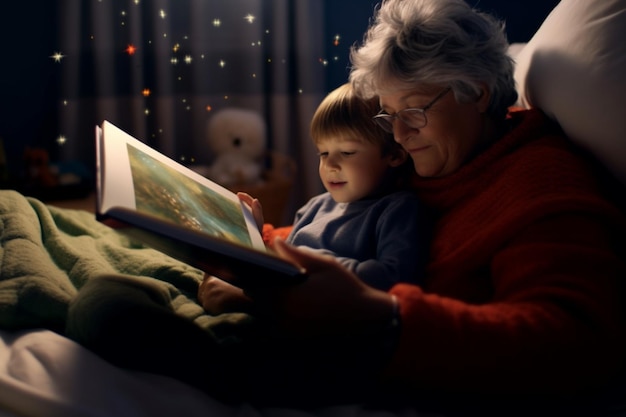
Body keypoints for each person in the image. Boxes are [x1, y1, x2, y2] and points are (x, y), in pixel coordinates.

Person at [67, 0, 626, 413]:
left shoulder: (539, 183)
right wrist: (251, 234)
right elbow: (343, 228)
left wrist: (383, 315)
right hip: (326, 327)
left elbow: (574, 342)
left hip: (368, 357)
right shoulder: (430, 159)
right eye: (387, 114)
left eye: (414, 110)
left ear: (477, 92)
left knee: (113, 309)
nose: (399, 135)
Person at [213, 82, 430, 314]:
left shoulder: (397, 209)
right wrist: (252, 237)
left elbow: (395, 277)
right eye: (323, 153)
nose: (330, 165)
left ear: (394, 155)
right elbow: (282, 262)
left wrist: (312, 262)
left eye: (347, 152)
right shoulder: (315, 206)